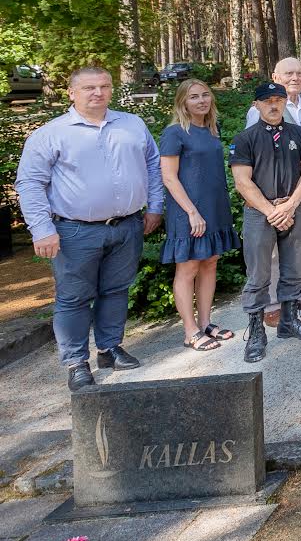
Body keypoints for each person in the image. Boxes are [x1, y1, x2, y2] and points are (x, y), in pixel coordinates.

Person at [16, 67, 164, 390]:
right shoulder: (51, 134)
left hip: (127, 225)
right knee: (74, 297)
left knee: (116, 288)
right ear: (71, 93)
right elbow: (29, 183)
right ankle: (76, 362)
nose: (97, 92)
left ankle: (109, 348)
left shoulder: (132, 125)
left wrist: (154, 205)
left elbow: (153, 164)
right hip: (74, 231)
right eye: (88, 88)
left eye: (104, 86)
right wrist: (41, 228)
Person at [231, 82, 301, 362]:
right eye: (267, 100)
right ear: (256, 105)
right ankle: (256, 331)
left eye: (278, 100)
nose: (273, 105)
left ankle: (289, 321)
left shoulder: (299, 133)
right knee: (258, 273)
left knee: (295, 267)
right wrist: (272, 211)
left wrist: (291, 205)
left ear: (285, 102)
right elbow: (242, 182)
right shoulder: (245, 138)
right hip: (261, 212)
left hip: (295, 207)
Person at [158, 79, 238, 354]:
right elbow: (168, 177)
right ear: (183, 102)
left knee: (210, 262)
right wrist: (192, 212)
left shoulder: (212, 129)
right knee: (189, 267)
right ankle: (190, 330)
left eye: (205, 95)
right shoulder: (175, 133)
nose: (201, 100)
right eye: (194, 97)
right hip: (188, 210)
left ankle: (205, 323)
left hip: (214, 206)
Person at [246, 57, 301, 315]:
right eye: (289, 73)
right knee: (273, 251)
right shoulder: (259, 109)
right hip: (277, 193)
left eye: (300, 73)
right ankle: (273, 304)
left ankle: (297, 295)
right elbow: (257, 155)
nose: (295, 78)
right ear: (275, 77)